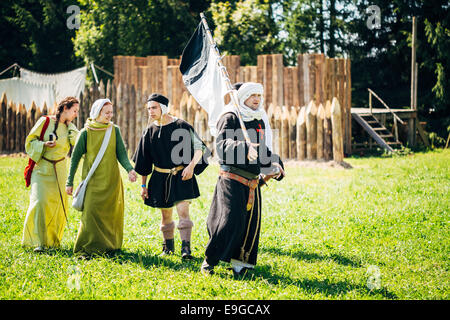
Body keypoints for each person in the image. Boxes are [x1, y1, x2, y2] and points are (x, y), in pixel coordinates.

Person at [201, 82, 285, 276]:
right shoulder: (230, 117)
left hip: (252, 182)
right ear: (243, 97)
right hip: (231, 179)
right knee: (229, 222)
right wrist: (245, 149)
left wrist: (275, 163)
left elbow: (263, 149)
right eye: (252, 95)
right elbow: (222, 146)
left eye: (259, 95)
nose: (257, 99)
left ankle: (240, 266)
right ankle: (210, 261)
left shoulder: (258, 119)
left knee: (249, 226)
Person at [132, 93, 210, 259]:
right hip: (160, 178)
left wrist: (190, 167)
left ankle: (186, 249)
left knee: (183, 212)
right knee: (165, 215)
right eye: (149, 108)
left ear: (164, 108)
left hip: (182, 176)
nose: (151, 111)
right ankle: (168, 248)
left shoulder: (181, 125)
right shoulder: (149, 131)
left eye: (154, 107)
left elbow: (199, 148)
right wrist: (143, 186)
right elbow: (144, 163)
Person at [66, 98, 137, 258]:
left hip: (112, 181)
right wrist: (69, 181)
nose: (110, 115)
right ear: (97, 113)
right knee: (90, 215)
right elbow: (75, 158)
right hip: (92, 182)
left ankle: (110, 247)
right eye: (107, 113)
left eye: (111, 112)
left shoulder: (114, 130)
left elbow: (122, 154)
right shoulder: (86, 132)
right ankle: (86, 249)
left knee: (111, 216)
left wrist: (130, 170)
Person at [22, 96, 80, 252]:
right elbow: (30, 142)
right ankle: (38, 242)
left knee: (57, 206)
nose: (76, 114)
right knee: (40, 202)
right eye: (74, 111)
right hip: (41, 169)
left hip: (60, 170)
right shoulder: (44, 121)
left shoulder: (70, 127)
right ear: (65, 109)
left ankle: (53, 242)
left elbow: (79, 141)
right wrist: (43, 145)